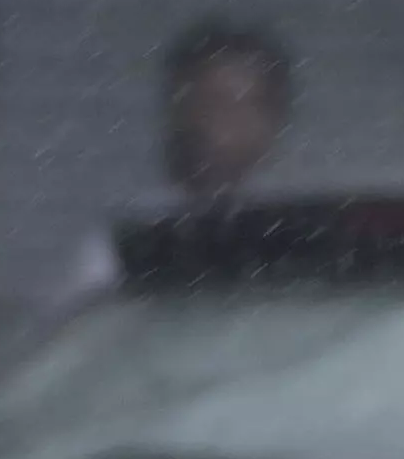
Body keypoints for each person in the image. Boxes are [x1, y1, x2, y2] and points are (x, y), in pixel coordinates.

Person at [56, 17, 294, 306]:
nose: (234, 122)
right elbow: (80, 334)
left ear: (277, 120)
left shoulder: (297, 232)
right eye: (216, 103)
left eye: (253, 104)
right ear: (178, 112)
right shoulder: (131, 239)